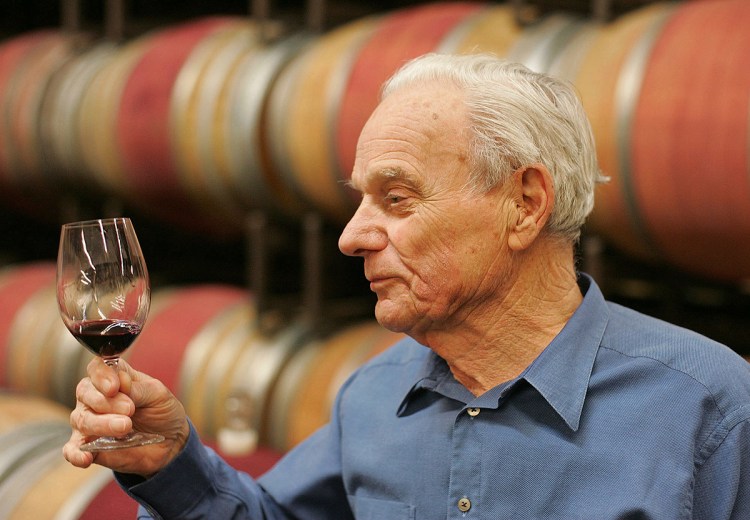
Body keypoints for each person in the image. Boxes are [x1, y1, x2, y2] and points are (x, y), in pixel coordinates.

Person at [64, 53, 750, 519]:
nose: (351, 236)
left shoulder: (709, 411)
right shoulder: (376, 395)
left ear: (525, 204)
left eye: (396, 199)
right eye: (359, 200)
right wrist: (172, 462)